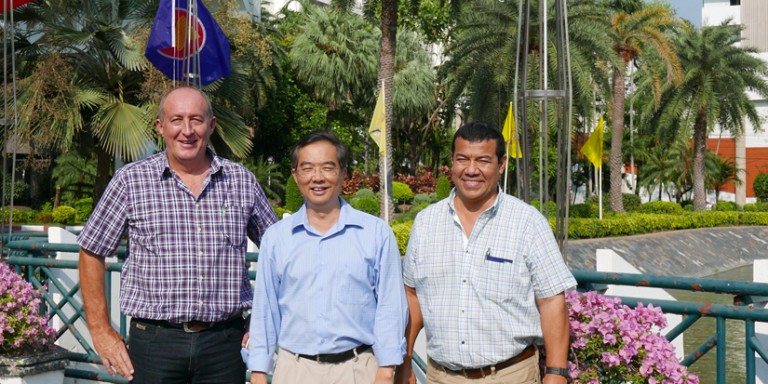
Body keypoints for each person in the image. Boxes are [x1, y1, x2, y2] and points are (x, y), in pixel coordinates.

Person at [78, 86, 277, 383]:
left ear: (211, 125)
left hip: (224, 345)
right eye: (176, 120)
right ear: (161, 127)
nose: (187, 130)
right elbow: (91, 251)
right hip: (155, 344)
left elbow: (282, 253)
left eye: (196, 119)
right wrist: (100, 329)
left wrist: (262, 321)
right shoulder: (131, 181)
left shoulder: (241, 182)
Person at [395, 121, 576, 384]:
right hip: (441, 377)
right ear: (452, 163)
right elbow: (412, 297)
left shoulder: (527, 222)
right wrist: (405, 361)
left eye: (482, 160)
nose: (471, 169)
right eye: (462, 159)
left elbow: (551, 302)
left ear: (501, 164)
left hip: (509, 375)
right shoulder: (425, 224)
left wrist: (556, 374)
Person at [246, 131, 408, 384]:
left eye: (328, 168)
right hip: (294, 371)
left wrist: (386, 371)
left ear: (344, 174)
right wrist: (258, 372)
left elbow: (390, 307)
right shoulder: (277, 238)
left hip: (358, 369)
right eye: (307, 168)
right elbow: (265, 309)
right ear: (296, 175)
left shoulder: (376, 234)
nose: (317, 178)